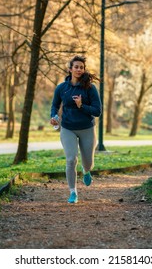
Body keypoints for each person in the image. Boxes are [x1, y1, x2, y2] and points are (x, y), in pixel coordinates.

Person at [50, 55, 102, 204]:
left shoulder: (90, 88)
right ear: (70, 69)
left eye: (81, 67)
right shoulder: (61, 88)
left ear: (83, 69)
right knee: (71, 159)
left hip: (87, 129)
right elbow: (55, 105)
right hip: (68, 128)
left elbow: (97, 111)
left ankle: (86, 171)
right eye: (76, 67)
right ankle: (73, 192)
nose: (79, 69)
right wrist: (54, 116)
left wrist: (81, 106)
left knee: (88, 163)